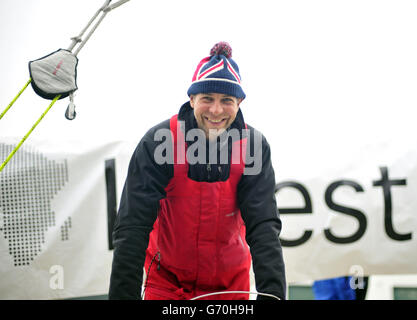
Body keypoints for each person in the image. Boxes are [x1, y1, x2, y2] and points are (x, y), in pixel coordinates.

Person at [108, 42, 286, 300]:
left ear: (239, 102)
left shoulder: (254, 146)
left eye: (226, 100)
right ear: (191, 99)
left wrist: (273, 296)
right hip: (167, 285)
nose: (216, 110)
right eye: (207, 99)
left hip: (230, 288)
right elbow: (132, 225)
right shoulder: (160, 141)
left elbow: (263, 226)